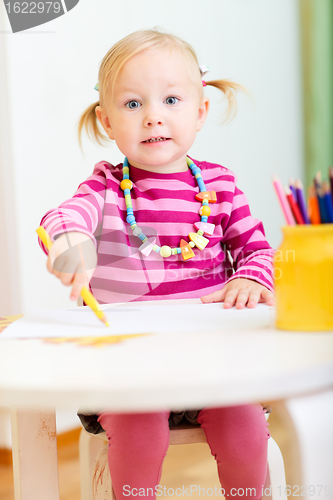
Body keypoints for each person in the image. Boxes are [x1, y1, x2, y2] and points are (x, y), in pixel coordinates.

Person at [38, 29, 274, 500]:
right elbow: (63, 217)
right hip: (131, 373)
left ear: (201, 110)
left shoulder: (221, 187)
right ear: (106, 121)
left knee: (246, 427)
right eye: (132, 105)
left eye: (170, 100)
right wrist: (70, 240)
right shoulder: (105, 188)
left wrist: (249, 277)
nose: (152, 118)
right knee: (140, 431)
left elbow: (258, 250)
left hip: (212, 368)